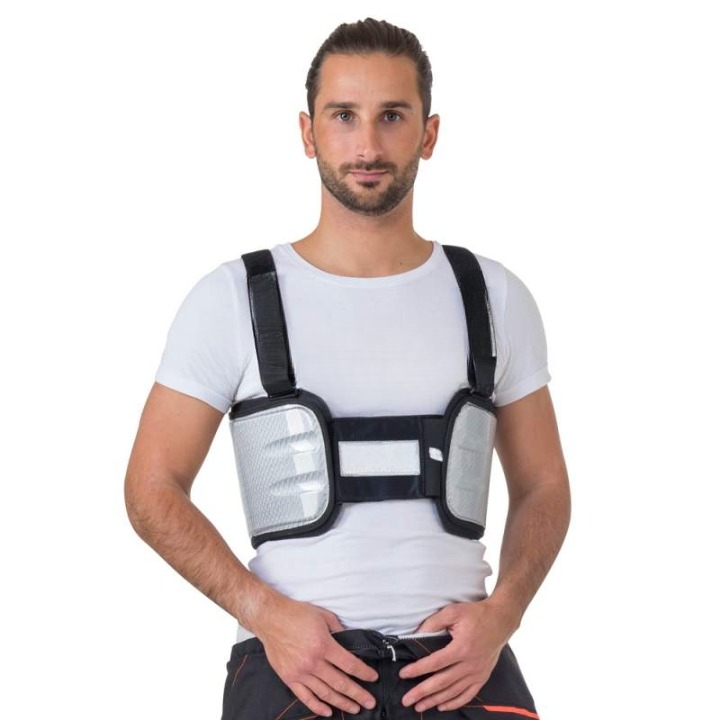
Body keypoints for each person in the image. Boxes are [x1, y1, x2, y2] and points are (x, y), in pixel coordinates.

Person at [124, 17, 571, 720]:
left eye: (392, 116)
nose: (367, 146)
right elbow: (151, 489)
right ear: (308, 133)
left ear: (429, 133)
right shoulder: (233, 298)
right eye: (343, 116)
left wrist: (504, 614)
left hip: (460, 666)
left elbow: (544, 485)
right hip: (297, 669)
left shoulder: (492, 295)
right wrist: (264, 613)